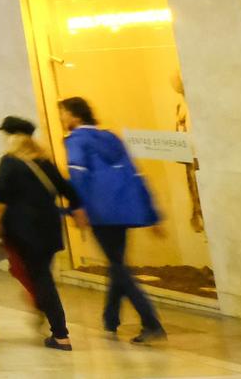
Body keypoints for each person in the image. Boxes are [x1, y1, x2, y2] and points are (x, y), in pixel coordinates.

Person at [60, 96, 165, 344]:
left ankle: (151, 322)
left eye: (63, 113)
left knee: (119, 268)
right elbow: (136, 174)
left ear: (76, 116)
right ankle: (111, 319)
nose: (62, 118)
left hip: (99, 211)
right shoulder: (111, 138)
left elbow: (78, 175)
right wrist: (152, 213)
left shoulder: (77, 141)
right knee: (116, 262)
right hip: (123, 209)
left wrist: (77, 207)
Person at [0, 115, 82, 351]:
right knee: (41, 276)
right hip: (50, 228)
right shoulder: (44, 162)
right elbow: (68, 189)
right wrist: (80, 213)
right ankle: (45, 313)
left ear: (11, 138)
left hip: (23, 230)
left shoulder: (9, 162)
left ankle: (60, 335)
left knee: (40, 279)